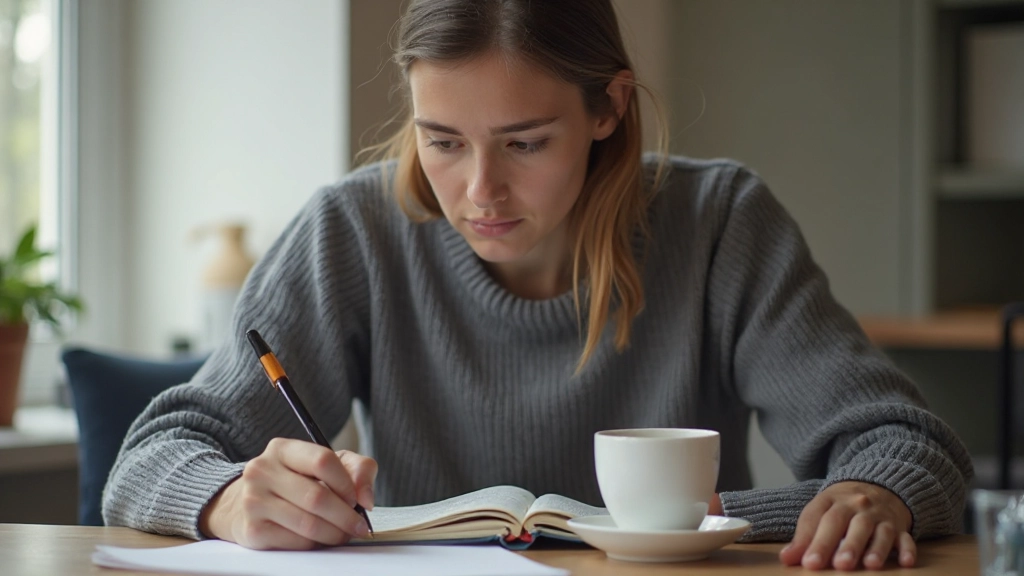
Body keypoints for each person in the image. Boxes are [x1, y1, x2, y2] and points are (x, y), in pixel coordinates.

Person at [103, 0, 973, 571]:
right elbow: (149, 459)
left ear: (608, 108)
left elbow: (907, 445)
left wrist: (873, 493)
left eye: (524, 143)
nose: (480, 192)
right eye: (441, 140)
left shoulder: (718, 221)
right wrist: (224, 498)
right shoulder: (352, 231)